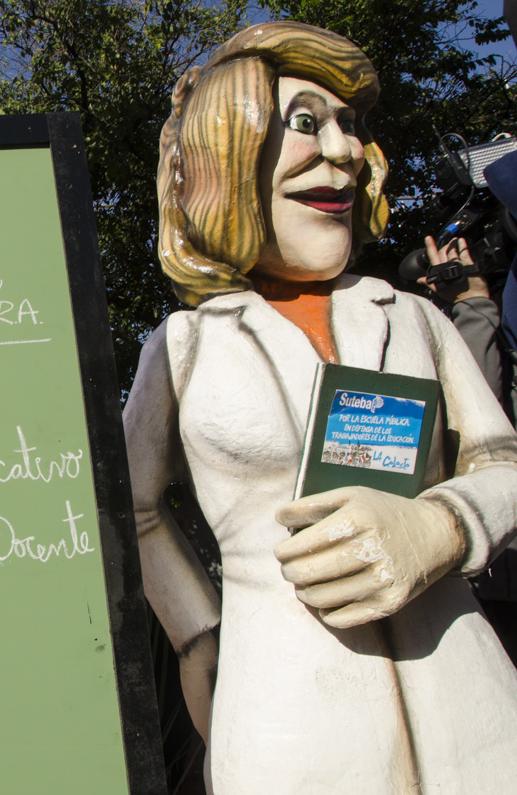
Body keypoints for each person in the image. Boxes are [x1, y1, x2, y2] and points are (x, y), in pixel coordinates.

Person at [125, 21, 517, 793]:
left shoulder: (414, 317)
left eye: (350, 125)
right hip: (290, 720)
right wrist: (199, 635)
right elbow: (130, 506)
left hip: (470, 700)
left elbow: (502, 460)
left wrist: (441, 527)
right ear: (227, 150)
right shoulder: (184, 346)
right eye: (307, 122)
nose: (344, 150)